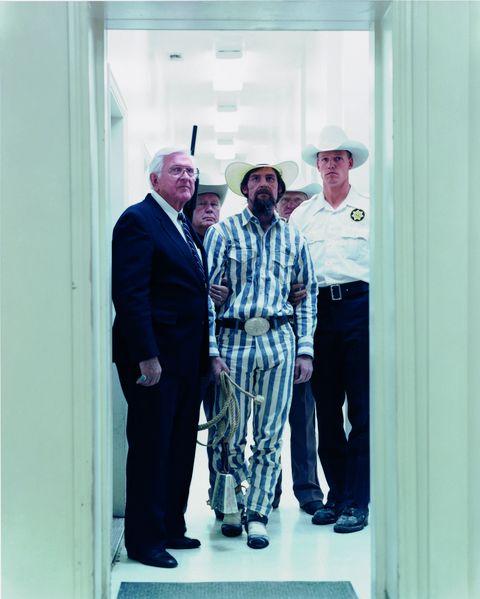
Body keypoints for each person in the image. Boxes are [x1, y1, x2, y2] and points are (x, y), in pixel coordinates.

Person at [204, 160, 318, 549]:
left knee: (269, 437)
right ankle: (231, 507)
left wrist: (306, 350)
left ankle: (258, 514)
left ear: (280, 189)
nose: (264, 185)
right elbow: (206, 297)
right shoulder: (222, 233)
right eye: (256, 180)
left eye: (271, 179)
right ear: (245, 190)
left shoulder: (294, 239)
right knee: (230, 435)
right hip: (233, 343)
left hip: (279, 344)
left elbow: (307, 296)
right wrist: (212, 350)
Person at [112, 147, 210, 568]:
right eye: (177, 170)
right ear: (155, 180)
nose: (186, 177)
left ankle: (171, 525)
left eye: (191, 171)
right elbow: (131, 296)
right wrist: (146, 357)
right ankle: (144, 540)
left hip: (188, 360)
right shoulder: (139, 220)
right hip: (154, 362)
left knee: (180, 446)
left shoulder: (181, 226)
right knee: (153, 448)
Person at [290, 125, 370, 533]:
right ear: (317, 166)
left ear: (350, 163)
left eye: (338, 158)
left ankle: (357, 501)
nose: (331, 165)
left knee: (361, 409)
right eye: (325, 159)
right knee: (325, 410)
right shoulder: (304, 215)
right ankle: (336, 495)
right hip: (319, 314)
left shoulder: (371, 207)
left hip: (360, 308)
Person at [272, 182, 325, 515]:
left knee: (304, 419)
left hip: (301, 340)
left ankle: (308, 490)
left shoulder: (309, 241)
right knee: (267, 423)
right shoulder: (263, 237)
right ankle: (269, 489)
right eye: (286, 200)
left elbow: (312, 289)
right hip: (264, 342)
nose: (291, 205)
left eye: (298, 201)